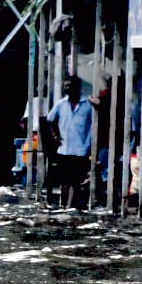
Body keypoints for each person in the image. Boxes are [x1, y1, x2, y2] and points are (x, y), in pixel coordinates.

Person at [46, 74, 95, 209]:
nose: (66, 88)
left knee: (76, 180)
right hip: (64, 148)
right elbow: (50, 120)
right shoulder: (61, 104)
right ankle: (66, 205)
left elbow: (95, 124)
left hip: (81, 148)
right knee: (65, 180)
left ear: (77, 87)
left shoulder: (88, 105)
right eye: (65, 86)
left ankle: (71, 206)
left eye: (69, 86)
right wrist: (55, 136)